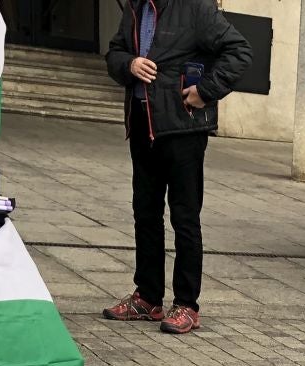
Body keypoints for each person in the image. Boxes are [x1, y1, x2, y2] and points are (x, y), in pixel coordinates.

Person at [104, 0, 251, 337]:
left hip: (183, 129)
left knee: (184, 218)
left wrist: (206, 91)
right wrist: (129, 64)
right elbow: (114, 53)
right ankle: (148, 297)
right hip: (143, 124)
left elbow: (240, 51)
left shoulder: (195, 7)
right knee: (145, 214)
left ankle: (187, 304)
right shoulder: (135, 8)